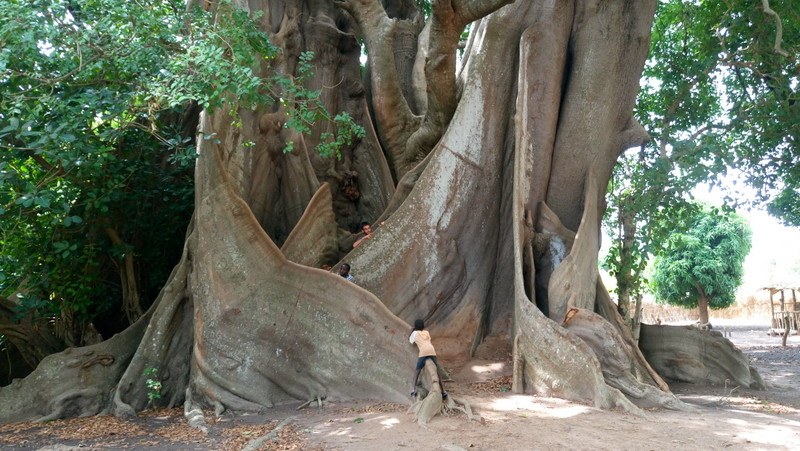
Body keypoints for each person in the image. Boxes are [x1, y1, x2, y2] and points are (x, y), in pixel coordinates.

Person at [408, 319, 447, 398]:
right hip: (431, 350)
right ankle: (443, 391)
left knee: (417, 371)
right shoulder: (426, 332)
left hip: (423, 352)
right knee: (437, 371)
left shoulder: (415, 333)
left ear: (415, 326)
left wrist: (411, 331)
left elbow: (410, 341)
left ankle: (413, 389)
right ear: (423, 326)